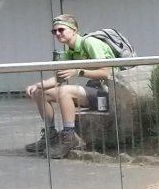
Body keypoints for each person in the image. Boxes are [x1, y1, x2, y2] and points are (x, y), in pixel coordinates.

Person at [23, 15, 114, 159]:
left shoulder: (90, 43)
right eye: (54, 31)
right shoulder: (71, 51)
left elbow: (106, 72)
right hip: (94, 91)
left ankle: (69, 136)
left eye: (61, 30)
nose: (57, 34)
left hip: (110, 93)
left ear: (74, 30)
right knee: (40, 93)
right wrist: (38, 85)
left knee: (64, 91)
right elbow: (60, 78)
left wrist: (79, 71)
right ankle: (50, 135)